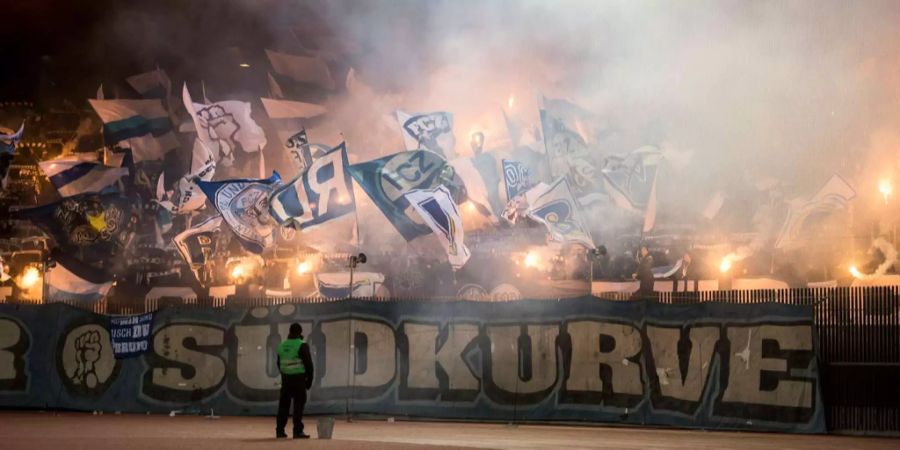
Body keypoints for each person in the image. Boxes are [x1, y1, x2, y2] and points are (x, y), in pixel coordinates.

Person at [276, 323, 314, 439]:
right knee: (298, 406)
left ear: (290, 331)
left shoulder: (281, 345)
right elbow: (309, 365)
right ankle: (297, 431)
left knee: (283, 406)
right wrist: (309, 382)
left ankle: (280, 431)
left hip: (286, 379)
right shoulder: (302, 345)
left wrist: (285, 374)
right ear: (300, 332)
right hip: (298, 380)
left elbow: (279, 363)